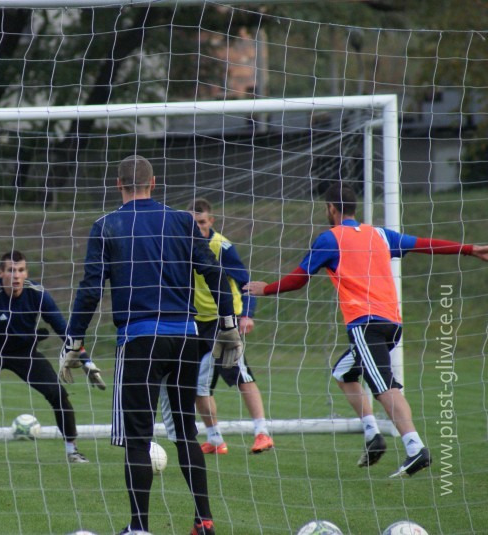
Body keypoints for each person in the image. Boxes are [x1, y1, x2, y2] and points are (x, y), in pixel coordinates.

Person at [245, 184, 488, 478]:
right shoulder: (380, 234)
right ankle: (373, 435)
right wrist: (469, 249)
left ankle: (415, 448)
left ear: (331, 209)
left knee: (383, 386)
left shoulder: (330, 238)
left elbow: (298, 280)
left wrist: (266, 289)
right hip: (392, 323)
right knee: (344, 372)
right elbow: (424, 243)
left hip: (365, 324)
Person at [59, 155, 243, 535]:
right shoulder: (182, 221)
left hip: (140, 341)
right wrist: (228, 323)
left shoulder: (106, 226)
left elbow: (91, 289)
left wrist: (74, 340)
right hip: (185, 339)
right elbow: (214, 272)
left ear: (117, 184)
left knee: (137, 438)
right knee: (186, 431)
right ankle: (204, 521)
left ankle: (139, 527)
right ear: (153, 182)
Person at [0, 250, 104, 467]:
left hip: (24, 353)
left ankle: (72, 451)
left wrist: (85, 360)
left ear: (26, 273)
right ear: (1, 273)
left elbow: (63, 327)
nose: (16, 275)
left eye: (21, 270)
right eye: (11, 270)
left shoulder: (37, 293)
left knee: (58, 394)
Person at [185, 198, 273, 455]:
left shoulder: (221, 246)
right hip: (196, 323)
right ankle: (215, 439)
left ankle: (262, 433)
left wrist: (247, 314)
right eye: (193, 223)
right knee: (197, 384)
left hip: (224, 321)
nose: (198, 227)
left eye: (202, 222)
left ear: (211, 221)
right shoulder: (183, 245)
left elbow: (245, 281)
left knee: (241, 374)